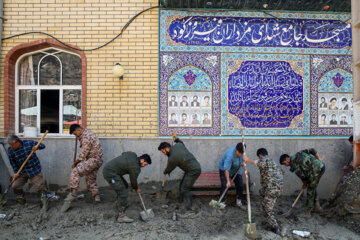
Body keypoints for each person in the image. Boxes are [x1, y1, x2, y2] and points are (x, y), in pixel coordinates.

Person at [61, 124, 104, 212]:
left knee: (75, 171)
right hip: (98, 160)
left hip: (93, 160)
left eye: (74, 133)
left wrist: (76, 163)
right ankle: (96, 197)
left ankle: (73, 194)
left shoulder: (86, 137)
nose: (75, 135)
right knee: (90, 179)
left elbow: (84, 153)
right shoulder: (90, 133)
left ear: (78, 130)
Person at [158, 131, 201, 210]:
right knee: (182, 185)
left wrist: (165, 171)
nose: (164, 153)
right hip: (191, 168)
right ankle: (181, 200)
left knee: (185, 188)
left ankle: (189, 206)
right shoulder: (178, 145)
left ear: (167, 148)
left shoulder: (172, 158)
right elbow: (180, 142)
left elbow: (169, 169)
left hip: (193, 171)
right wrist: (176, 137)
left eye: (163, 151)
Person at [103, 152, 152, 223]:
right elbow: (133, 180)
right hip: (110, 173)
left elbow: (123, 153)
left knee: (125, 185)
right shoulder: (135, 167)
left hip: (113, 171)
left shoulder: (132, 154)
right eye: (145, 164)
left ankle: (119, 203)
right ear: (142, 160)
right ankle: (121, 216)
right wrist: (136, 188)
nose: (144, 166)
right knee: (123, 192)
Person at [243, 148, 283, 235]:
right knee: (262, 193)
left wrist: (247, 159)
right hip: (275, 188)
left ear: (260, 155)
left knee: (268, 209)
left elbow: (258, 163)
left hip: (271, 189)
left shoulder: (265, 160)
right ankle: (265, 209)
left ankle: (275, 228)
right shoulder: (272, 162)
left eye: (259, 157)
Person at [279, 149, 325, 217]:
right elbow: (312, 150)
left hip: (316, 171)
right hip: (321, 167)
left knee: (310, 190)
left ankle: (307, 212)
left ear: (287, 159)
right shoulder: (299, 153)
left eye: (285, 163)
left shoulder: (294, 165)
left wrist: (305, 184)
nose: (285, 165)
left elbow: (303, 176)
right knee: (312, 185)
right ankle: (317, 207)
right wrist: (318, 159)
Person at [7, 135, 50, 206]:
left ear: (17, 142)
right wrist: (16, 173)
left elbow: (43, 145)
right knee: (15, 186)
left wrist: (37, 147)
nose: (11, 147)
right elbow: (13, 163)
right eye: (10, 145)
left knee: (40, 187)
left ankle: (45, 203)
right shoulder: (10, 150)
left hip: (34, 169)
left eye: (12, 145)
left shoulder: (28, 143)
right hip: (22, 171)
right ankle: (21, 201)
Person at [218, 143, 246, 209]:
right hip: (225, 169)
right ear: (236, 149)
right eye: (239, 153)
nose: (241, 155)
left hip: (236, 169)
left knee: (240, 184)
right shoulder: (230, 155)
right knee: (225, 185)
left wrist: (243, 162)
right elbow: (226, 169)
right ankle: (222, 202)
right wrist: (228, 181)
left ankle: (239, 201)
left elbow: (244, 157)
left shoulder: (242, 150)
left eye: (242, 153)